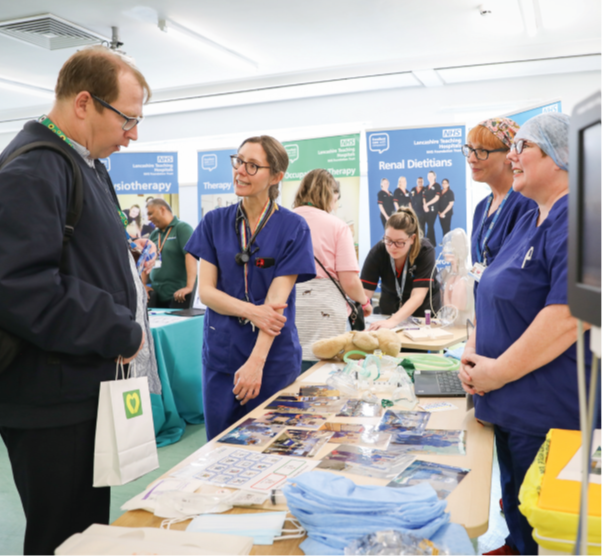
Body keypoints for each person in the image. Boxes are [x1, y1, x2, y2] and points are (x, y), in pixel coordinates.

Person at [0, 46, 149, 556]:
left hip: (79, 387)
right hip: (50, 401)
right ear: (84, 103)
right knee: (61, 536)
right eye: (128, 119)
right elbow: (19, 285)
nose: (133, 134)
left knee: (86, 535)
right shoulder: (34, 169)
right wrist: (117, 327)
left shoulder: (83, 163)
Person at [459, 113, 598, 556]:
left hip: (552, 411)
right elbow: (491, 288)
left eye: (524, 147)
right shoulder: (530, 218)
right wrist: (472, 351)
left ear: (562, 157)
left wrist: (497, 371)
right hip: (512, 404)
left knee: (550, 525)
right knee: (519, 507)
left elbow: (569, 315)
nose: (512, 156)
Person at [185, 135, 315, 440]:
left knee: (274, 448)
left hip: (271, 358)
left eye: (253, 166)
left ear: (276, 176)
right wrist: (251, 312)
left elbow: (276, 304)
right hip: (223, 357)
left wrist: (256, 363)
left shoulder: (293, 228)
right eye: (239, 161)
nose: (240, 171)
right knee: (219, 447)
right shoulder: (214, 222)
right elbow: (207, 292)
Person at [292, 169, 372, 371]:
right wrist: (364, 302)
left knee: (292, 379)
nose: (336, 205)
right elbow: (350, 282)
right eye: (336, 199)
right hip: (324, 311)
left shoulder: (282, 222)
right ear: (330, 194)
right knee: (326, 375)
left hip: (288, 305)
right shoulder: (338, 226)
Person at [463, 117, 536, 299]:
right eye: (470, 150)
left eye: (481, 151)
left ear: (508, 154)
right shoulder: (481, 208)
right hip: (485, 310)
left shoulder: (526, 204)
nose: (471, 159)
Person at [360, 206, 441, 330]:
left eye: (399, 242)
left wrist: (393, 321)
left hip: (421, 316)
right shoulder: (378, 251)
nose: (392, 247)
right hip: (389, 312)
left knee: (415, 348)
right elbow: (365, 294)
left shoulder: (425, 251)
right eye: (388, 240)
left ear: (412, 239)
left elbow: (418, 296)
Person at [144, 198, 196, 308]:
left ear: (162, 209)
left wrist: (189, 287)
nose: (148, 218)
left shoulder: (182, 228)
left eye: (150, 213)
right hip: (155, 296)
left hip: (178, 295)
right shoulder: (154, 235)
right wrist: (143, 285)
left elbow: (191, 256)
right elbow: (146, 259)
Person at [422, 170, 441, 247]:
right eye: (428, 176)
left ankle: (428, 242)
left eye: (431, 176)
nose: (430, 177)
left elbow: (436, 198)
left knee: (430, 225)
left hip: (433, 209)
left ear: (434, 176)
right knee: (428, 225)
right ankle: (432, 243)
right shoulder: (426, 187)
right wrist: (424, 205)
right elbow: (423, 197)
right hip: (426, 209)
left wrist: (427, 204)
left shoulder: (437, 186)